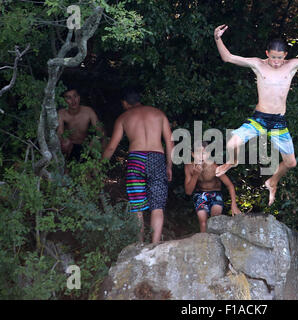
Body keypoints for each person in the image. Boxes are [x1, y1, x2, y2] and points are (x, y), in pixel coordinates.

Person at [213, 24, 298, 205]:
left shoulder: (292, 66)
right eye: (273, 58)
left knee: (291, 163)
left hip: (278, 122)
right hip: (259, 119)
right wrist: (218, 38)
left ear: (285, 56)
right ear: (267, 54)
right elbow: (227, 57)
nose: (276, 62)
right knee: (232, 142)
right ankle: (232, 162)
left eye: (279, 58)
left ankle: (272, 181)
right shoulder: (258, 64)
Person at [102, 89, 174, 244]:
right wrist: (169, 165)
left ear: (125, 103)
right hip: (157, 158)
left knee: (137, 206)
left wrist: (99, 166)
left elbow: (111, 147)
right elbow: (169, 142)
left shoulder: (123, 117)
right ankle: (155, 245)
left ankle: (139, 244)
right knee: (157, 206)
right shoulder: (159, 114)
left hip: (136, 159)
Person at [184, 141, 241, 233]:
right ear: (193, 154)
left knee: (215, 218)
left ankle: (215, 240)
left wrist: (234, 204)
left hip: (215, 193)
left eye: (204, 153)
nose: (202, 156)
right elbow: (188, 192)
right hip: (200, 194)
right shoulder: (189, 167)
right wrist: (195, 175)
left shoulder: (214, 167)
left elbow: (229, 185)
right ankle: (204, 243)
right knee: (203, 221)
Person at [57, 88, 105, 161]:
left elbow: (101, 131)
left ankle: (99, 166)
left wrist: (95, 139)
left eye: (75, 96)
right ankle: (64, 166)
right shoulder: (61, 113)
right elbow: (59, 134)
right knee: (65, 144)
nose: (73, 101)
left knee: (98, 141)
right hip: (70, 146)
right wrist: (65, 140)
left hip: (86, 145)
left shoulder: (88, 111)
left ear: (79, 97)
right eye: (69, 97)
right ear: (64, 100)